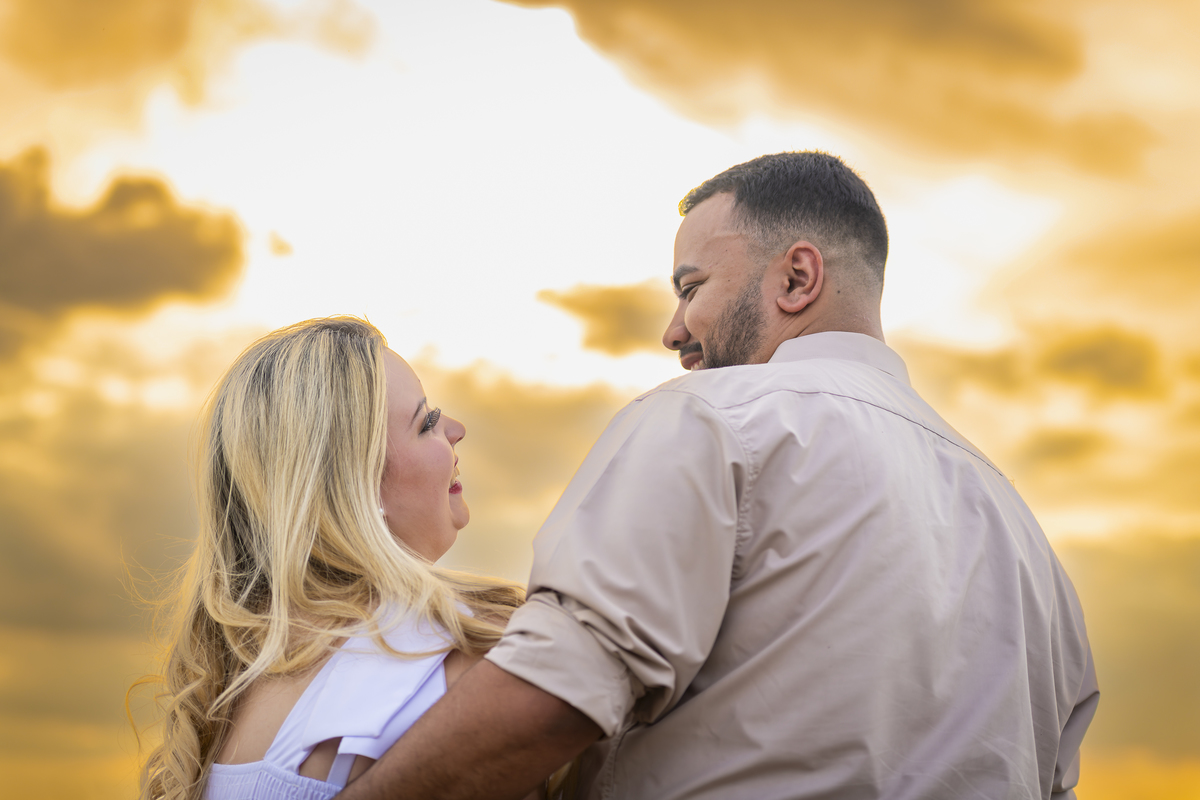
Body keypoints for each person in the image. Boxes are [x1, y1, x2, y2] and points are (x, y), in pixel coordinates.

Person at [335, 152, 1099, 800]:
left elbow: (558, 693)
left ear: (797, 279)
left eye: (691, 287)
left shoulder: (715, 421)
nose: (673, 332)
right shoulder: (1031, 549)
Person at [134, 317, 542, 800]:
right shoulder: (450, 658)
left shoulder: (231, 701)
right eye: (426, 422)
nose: (456, 429)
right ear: (356, 487)